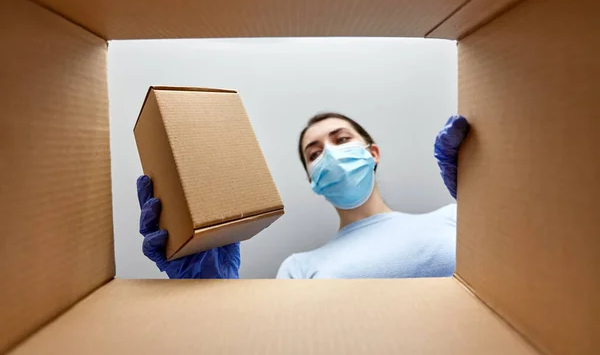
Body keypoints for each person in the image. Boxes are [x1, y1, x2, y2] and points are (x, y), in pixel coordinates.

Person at [137, 114, 470, 279]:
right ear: (313, 180)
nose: (330, 154)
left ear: (373, 153)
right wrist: (210, 295)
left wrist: (484, 206)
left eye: (341, 140)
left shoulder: (453, 217)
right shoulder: (299, 268)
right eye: (314, 154)